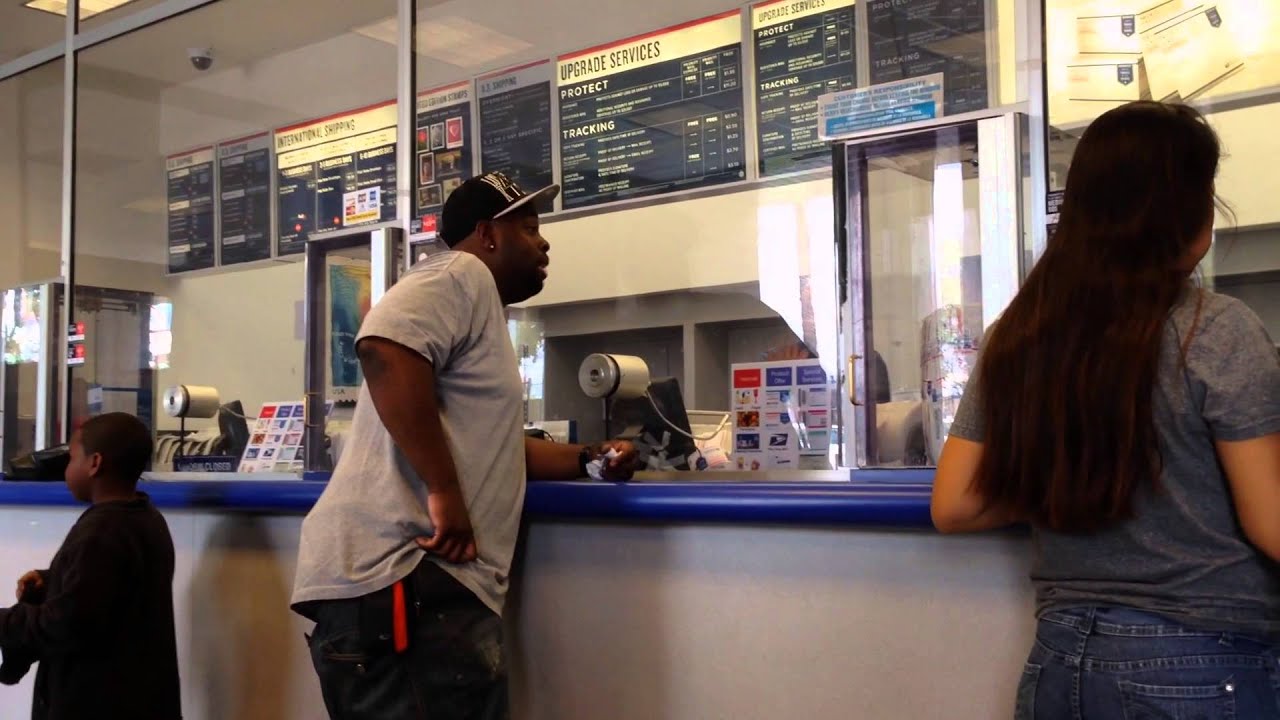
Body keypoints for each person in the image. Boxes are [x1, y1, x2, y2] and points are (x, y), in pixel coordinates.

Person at [931, 101, 1280, 718]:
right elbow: (1270, 521)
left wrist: (1079, 475)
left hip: (1061, 664)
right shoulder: (1216, 327)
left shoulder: (1022, 335)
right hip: (1199, 662)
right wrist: (1121, 470)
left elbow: (954, 504)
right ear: (1188, 212)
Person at [291, 171, 638, 720]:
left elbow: (502, 449)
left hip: (403, 585)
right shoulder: (461, 272)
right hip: (409, 574)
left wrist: (589, 457)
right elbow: (382, 347)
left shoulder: (481, 314)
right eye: (529, 228)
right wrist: (443, 491)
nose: (544, 243)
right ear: (488, 234)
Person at [0, 412, 182, 720]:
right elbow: (113, 589)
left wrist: (6, 621)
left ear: (95, 463)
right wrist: (53, 579)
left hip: (98, 702)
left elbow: (66, 624)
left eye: (72, 458)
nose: (66, 469)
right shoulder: (144, 517)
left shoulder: (102, 532)